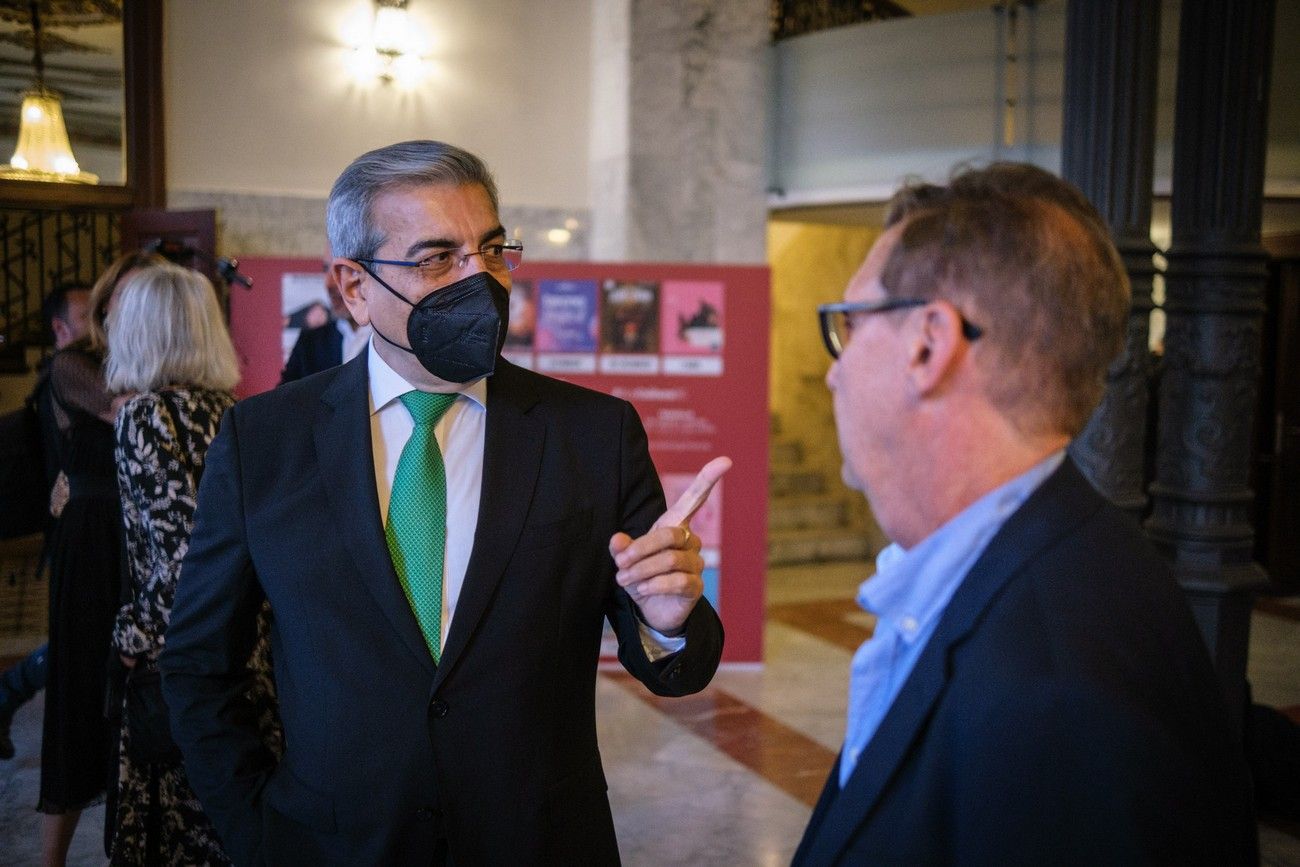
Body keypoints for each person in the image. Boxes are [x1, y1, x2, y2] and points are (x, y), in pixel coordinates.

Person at [161, 139, 726, 866]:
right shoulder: (263, 441)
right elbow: (200, 666)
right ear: (353, 286)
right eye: (437, 258)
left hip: (541, 842)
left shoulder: (593, 433)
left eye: (491, 250)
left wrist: (669, 620)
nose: (480, 280)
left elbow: (677, 658)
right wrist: (257, 829)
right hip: (331, 845)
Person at [793, 163, 1257, 865]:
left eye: (849, 326)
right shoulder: (1060, 562)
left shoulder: (1053, 697)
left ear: (929, 343)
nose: (834, 369)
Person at [104, 262, 281, 865]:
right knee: (234, 815)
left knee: (180, 831)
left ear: (141, 331)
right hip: (250, 646)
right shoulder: (229, 411)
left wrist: (133, 634)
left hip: (184, 655)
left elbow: (178, 555)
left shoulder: (146, 416)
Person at [36, 266, 138, 865]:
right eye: (94, 311)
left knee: (121, 696)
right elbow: (129, 411)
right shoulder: (72, 364)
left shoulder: (120, 358)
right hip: (91, 540)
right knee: (77, 697)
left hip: (122, 535)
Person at [0, 283, 92, 762]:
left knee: (82, 637)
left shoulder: (80, 366)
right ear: (60, 329)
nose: (100, 320)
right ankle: (8, 692)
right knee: (80, 640)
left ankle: (7, 693)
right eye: (87, 314)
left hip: (79, 524)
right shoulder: (68, 367)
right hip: (78, 528)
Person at [279, 251, 372, 383]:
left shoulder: (396, 341)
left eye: (341, 270)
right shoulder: (309, 343)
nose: (329, 283)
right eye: (326, 269)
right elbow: (282, 399)